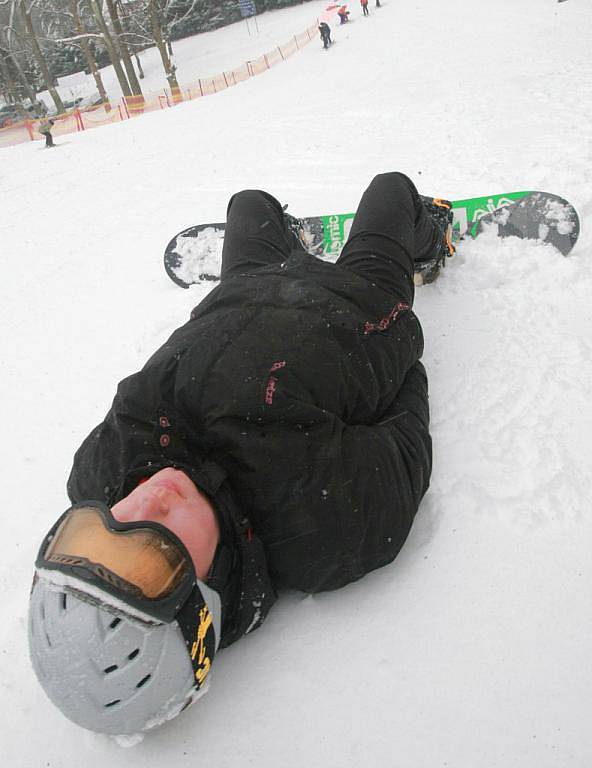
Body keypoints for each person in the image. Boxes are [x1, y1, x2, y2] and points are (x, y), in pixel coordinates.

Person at [28, 172, 454, 737]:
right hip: (360, 299)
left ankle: (290, 238)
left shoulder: (102, 473)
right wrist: (390, 347)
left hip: (245, 286)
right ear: (208, 599)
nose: (144, 502)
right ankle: (430, 237)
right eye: (156, 551)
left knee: (248, 200)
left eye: (95, 532)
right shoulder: (327, 527)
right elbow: (404, 419)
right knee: (390, 189)